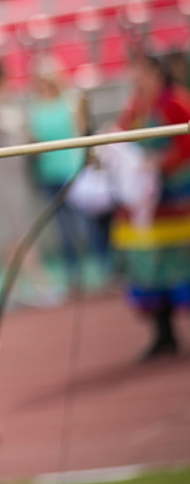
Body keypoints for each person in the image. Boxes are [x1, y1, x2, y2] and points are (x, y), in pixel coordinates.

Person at [111, 52, 190, 360]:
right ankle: (164, 334)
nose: (137, 78)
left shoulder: (176, 102)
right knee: (150, 268)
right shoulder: (135, 106)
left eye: (142, 71)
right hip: (145, 204)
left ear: (158, 74)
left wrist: (160, 162)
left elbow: (185, 145)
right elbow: (122, 139)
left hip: (174, 197)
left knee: (181, 262)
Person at [0, 61, 63, 307]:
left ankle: (29, 285)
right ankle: (21, 287)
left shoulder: (10, 104)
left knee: (21, 230)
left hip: (17, 179)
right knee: (9, 234)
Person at [27, 58, 91, 290]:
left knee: (84, 223)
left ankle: (103, 267)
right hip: (48, 174)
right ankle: (74, 275)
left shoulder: (70, 101)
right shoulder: (35, 108)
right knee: (63, 230)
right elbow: (32, 141)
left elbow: (82, 132)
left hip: (72, 172)